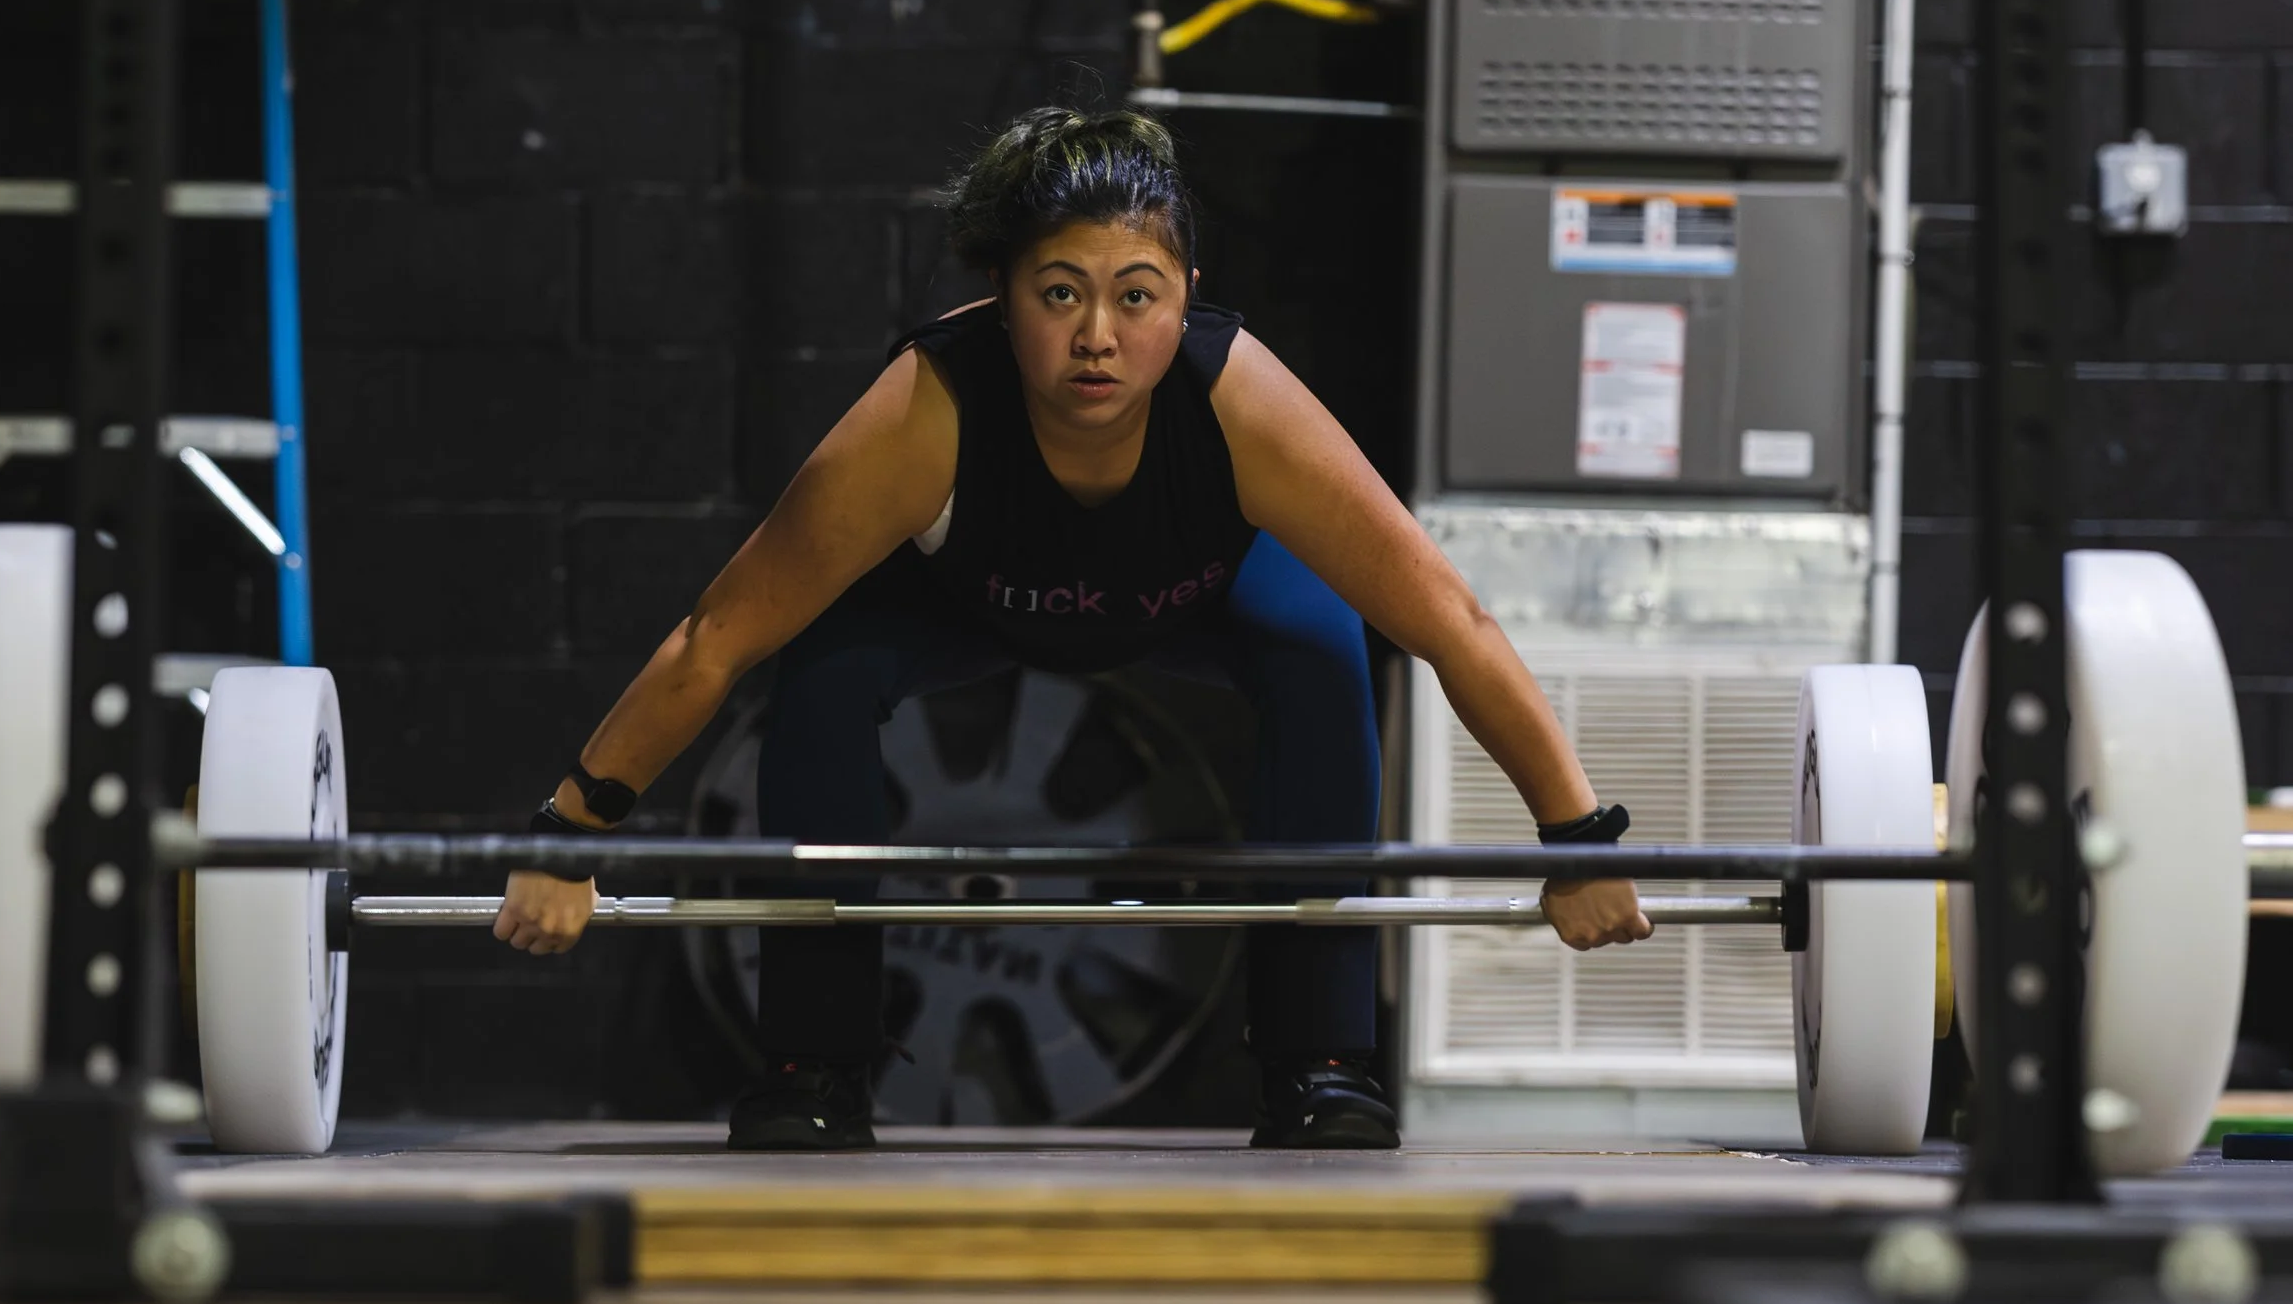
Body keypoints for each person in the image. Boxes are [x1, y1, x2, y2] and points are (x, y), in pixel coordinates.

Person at [495, 105, 1649, 1148]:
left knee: (1322, 649)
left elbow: (1452, 621)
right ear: (1004, 300)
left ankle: (1320, 1064)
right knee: (823, 672)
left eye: (1134, 295)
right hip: (962, 601)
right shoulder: (925, 410)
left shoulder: (1241, 400)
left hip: (1206, 597)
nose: (1097, 333)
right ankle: (814, 1064)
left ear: (1184, 293)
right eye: (1059, 294)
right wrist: (568, 830)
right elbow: (714, 637)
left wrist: (1575, 839)